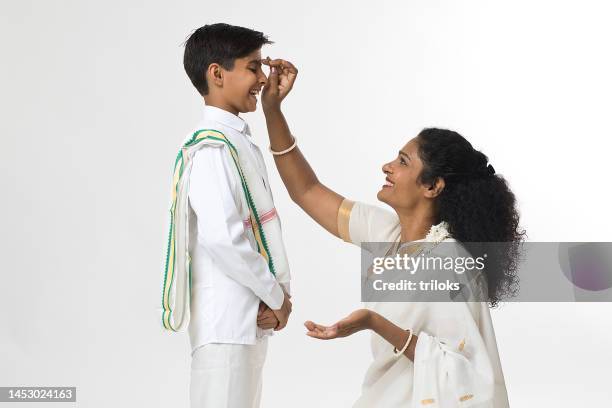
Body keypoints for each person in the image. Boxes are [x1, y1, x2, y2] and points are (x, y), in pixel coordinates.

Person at [260, 57, 524, 407]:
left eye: (402, 162)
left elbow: (466, 372)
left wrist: (373, 321)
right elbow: (306, 191)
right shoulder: (386, 234)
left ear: (432, 186)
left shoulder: (450, 264)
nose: (387, 166)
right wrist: (273, 110)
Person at [159, 24, 293, 408]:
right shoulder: (213, 150)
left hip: (243, 323)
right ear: (217, 74)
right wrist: (275, 296)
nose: (263, 77)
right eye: (253, 68)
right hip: (228, 325)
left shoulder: (235, 142)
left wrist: (277, 298)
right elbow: (224, 238)